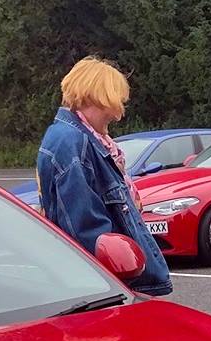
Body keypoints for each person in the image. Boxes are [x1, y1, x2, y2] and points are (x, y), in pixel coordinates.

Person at [36, 57, 172, 296]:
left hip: (109, 285)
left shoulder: (82, 140)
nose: (118, 115)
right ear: (95, 97)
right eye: (114, 103)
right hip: (108, 288)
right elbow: (87, 233)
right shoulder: (72, 143)